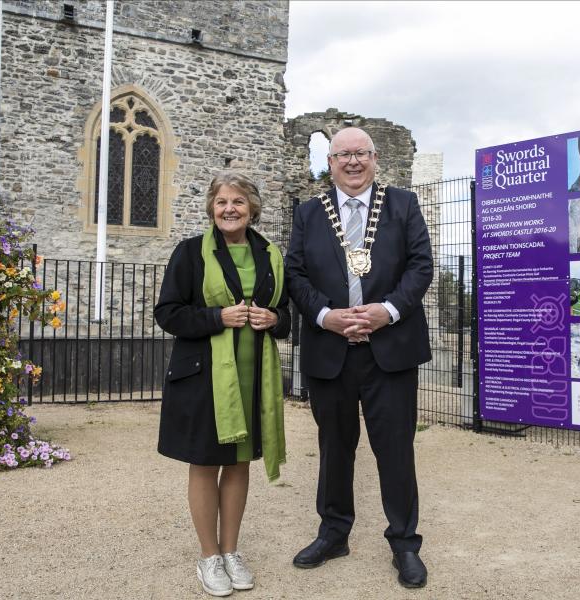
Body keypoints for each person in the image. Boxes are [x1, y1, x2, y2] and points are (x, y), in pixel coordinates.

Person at [285, 127, 433, 588]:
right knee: (334, 448)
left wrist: (386, 312)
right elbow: (295, 272)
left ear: (374, 159)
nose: (352, 162)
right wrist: (325, 315)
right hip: (331, 349)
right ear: (329, 161)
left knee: (395, 450)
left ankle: (404, 544)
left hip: (390, 349)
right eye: (343, 154)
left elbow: (420, 265)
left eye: (361, 154)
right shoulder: (308, 213)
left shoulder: (403, 204)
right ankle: (333, 533)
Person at [155, 172, 290, 597]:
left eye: (237, 201)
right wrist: (217, 317)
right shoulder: (191, 253)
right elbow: (168, 313)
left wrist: (275, 319)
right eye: (221, 202)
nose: (229, 209)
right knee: (205, 462)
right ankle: (209, 556)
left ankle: (232, 551)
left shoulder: (270, 254)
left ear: (252, 209)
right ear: (211, 208)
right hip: (203, 378)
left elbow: (285, 311)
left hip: (254, 378)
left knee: (238, 464)